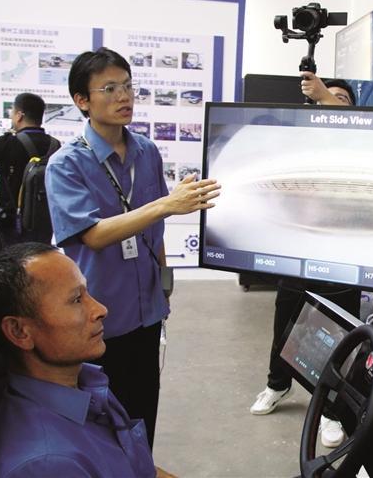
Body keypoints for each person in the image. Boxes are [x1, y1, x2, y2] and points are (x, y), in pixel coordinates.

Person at [45, 47, 220, 449]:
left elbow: (153, 230)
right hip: (101, 318)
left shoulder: (146, 151)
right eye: (109, 89)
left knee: (143, 415)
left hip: (147, 312)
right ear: (82, 101)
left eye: (127, 86)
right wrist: (167, 204)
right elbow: (93, 234)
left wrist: (164, 283)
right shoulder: (66, 164)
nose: (124, 96)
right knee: (104, 423)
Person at [0, 242, 175, 477]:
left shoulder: (85, 382)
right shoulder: (48, 465)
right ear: (19, 331)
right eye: (76, 299)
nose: (101, 309)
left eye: (87, 293)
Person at [250, 72, 361, 449]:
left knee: (337, 334)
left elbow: (352, 127)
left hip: (343, 255)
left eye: (342, 100)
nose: (335, 103)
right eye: (329, 99)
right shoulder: (305, 142)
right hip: (299, 250)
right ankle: (277, 384)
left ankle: (331, 409)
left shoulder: (361, 142)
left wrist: (325, 96)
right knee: (286, 321)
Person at [0, 93, 59, 245]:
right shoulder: (55, 145)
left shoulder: (9, 141)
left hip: (10, 225)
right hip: (43, 225)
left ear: (19, 115)